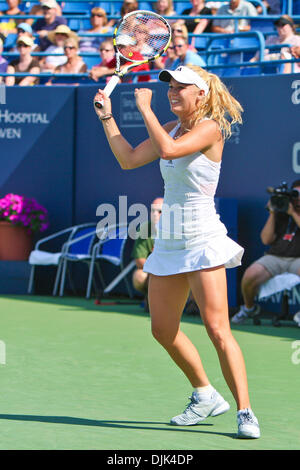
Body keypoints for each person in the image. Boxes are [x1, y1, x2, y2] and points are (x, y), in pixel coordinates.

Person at [93, 64, 260, 439]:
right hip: (169, 241)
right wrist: (108, 119)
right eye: (170, 85)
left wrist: (146, 108)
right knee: (163, 329)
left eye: (182, 87)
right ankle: (205, 394)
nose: (172, 91)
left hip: (201, 238)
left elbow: (169, 150)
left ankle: (245, 411)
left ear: (201, 94)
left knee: (218, 329)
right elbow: (129, 158)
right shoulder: (170, 127)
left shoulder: (211, 128)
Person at [231, 180, 300, 325]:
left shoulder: (291, 212)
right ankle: (249, 308)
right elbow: (266, 240)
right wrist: (273, 212)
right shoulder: (282, 211)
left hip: (297, 259)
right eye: (295, 194)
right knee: (250, 275)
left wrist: (293, 213)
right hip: (275, 257)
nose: (297, 198)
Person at [131, 197, 163, 310]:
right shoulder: (145, 228)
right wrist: (155, 270)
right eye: (152, 210)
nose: (155, 214)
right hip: (153, 272)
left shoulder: (176, 229)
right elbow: (139, 260)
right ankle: (151, 299)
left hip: (174, 273)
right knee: (139, 276)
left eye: (160, 211)